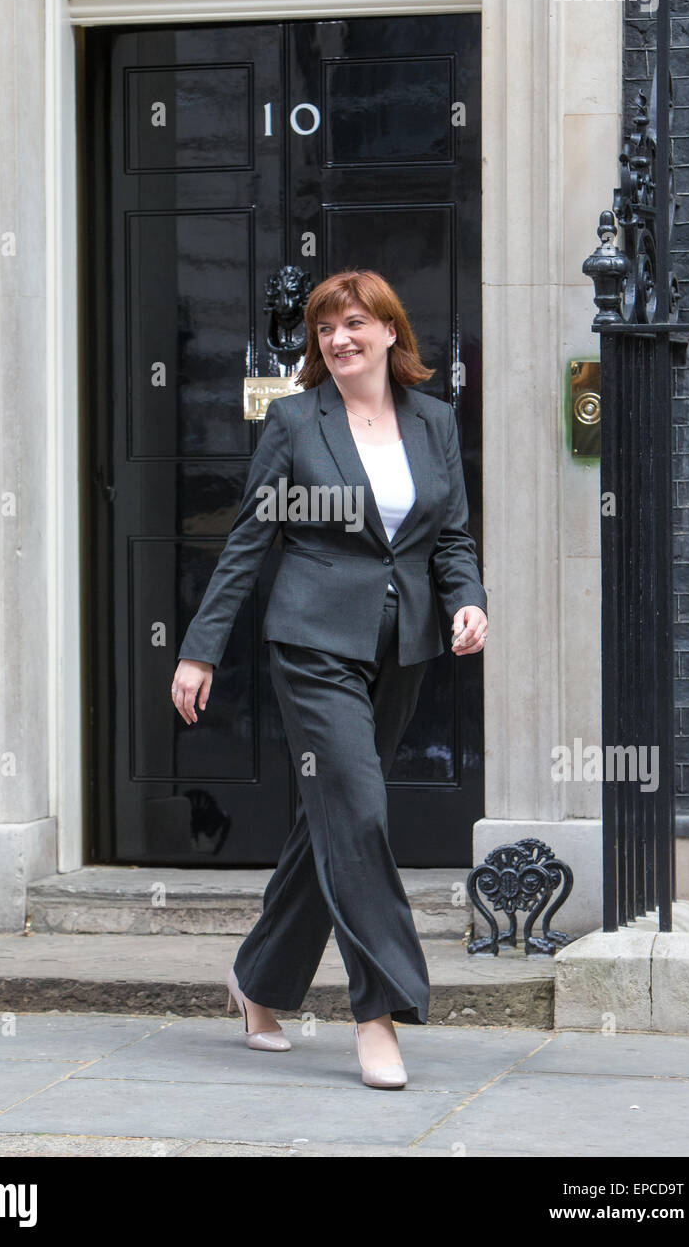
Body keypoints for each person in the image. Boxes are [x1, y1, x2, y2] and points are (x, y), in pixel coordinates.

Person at [171, 268, 488, 1090]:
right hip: (312, 644)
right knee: (358, 808)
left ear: (389, 330)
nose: (338, 340)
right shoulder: (294, 422)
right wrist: (200, 649)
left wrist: (468, 601)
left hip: (400, 648)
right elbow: (249, 540)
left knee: (331, 825)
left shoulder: (435, 422)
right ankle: (377, 1013)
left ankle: (259, 980)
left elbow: (448, 535)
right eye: (324, 330)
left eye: (354, 324)